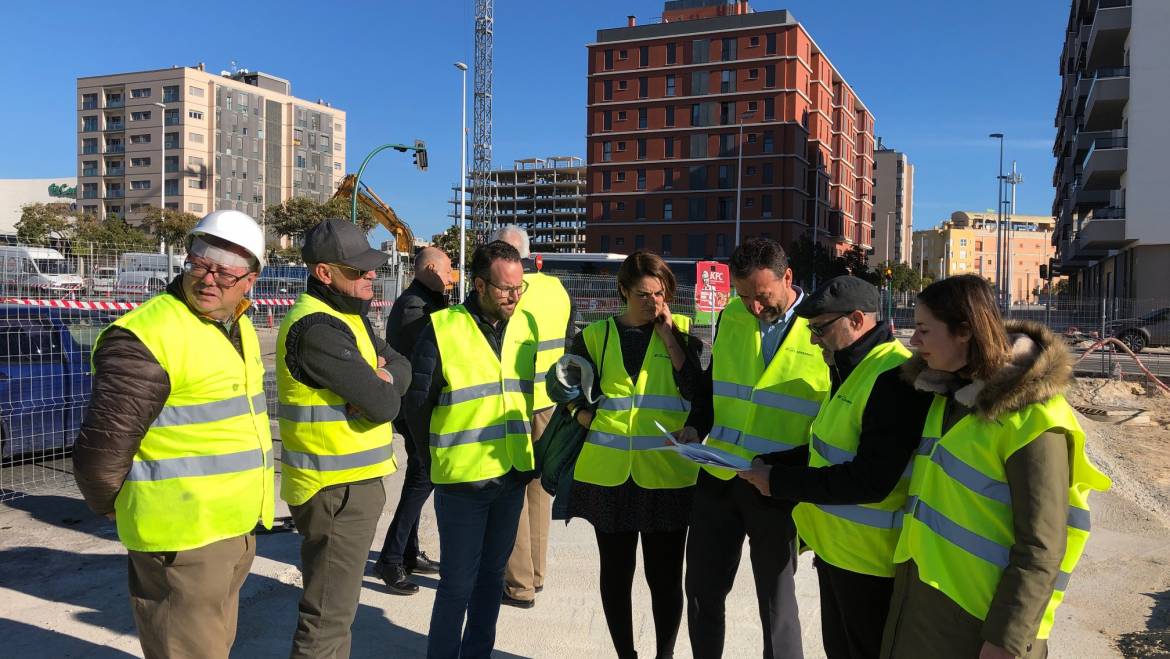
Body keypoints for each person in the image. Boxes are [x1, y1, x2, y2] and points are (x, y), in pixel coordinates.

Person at [72, 210, 272, 659]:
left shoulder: (235, 323)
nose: (209, 279)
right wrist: (114, 506)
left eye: (226, 272)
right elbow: (99, 454)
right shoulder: (146, 337)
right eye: (200, 263)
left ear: (250, 281)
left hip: (231, 530)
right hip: (179, 540)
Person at [880, 275, 1111, 658]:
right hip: (928, 610)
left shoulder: (1033, 418)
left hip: (982, 626)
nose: (913, 341)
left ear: (964, 331)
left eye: (923, 329)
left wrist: (1007, 639)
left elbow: (1041, 545)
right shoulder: (949, 395)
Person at [737, 276, 933, 659]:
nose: (813, 340)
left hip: (869, 566)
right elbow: (827, 451)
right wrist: (773, 463)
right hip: (837, 553)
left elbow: (870, 479)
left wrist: (778, 481)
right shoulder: (851, 367)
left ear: (856, 320)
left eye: (819, 329)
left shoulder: (892, 377)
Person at [680, 237, 831, 659]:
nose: (753, 306)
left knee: (777, 604)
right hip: (719, 476)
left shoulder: (821, 326)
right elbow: (715, 386)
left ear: (788, 277)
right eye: (744, 295)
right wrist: (695, 427)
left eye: (762, 296)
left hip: (777, 486)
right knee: (702, 591)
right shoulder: (732, 315)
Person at [277, 218, 411, 658]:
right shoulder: (318, 329)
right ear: (324, 273)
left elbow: (402, 365)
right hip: (333, 490)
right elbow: (386, 406)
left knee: (338, 612)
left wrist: (382, 377)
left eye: (371, 264)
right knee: (328, 619)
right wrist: (381, 387)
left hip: (348, 485)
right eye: (358, 268)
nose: (372, 273)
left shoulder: (348, 318)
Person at [560, 250, 704, 659]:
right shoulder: (595, 335)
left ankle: (664, 655)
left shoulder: (684, 334)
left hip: (666, 477)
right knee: (616, 575)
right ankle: (627, 655)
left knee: (665, 578)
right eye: (643, 294)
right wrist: (581, 413)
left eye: (660, 294)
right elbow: (564, 381)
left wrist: (669, 337)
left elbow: (697, 393)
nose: (653, 302)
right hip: (608, 477)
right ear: (623, 290)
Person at [407, 240, 539, 659]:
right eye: (505, 289)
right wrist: (435, 461)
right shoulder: (443, 328)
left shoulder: (526, 325)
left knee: (491, 579)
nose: (514, 297)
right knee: (456, 586)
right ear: (479, 285)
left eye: (519, 288)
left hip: (511, 475)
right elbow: (417, 407)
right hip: (463, 483)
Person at [489, 224, 576, 609]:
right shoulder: (556, 289)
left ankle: (518, 585)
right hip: (550, 402)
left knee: (513, 494)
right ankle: (536, 575)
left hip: (516, 402)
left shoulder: (507, 291)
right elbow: (569, 338)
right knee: (540, 492)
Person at [373, 246, 453, 595]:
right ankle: (390, 559)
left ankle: (407, 551)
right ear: (431, 269)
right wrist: (444, 298)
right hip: (414, 411)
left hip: (419, 408)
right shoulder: (413, 307)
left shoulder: (424, 301)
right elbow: (442, 340)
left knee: (419, 478)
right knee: (422, 480)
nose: (451, 278)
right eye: (447, 272)